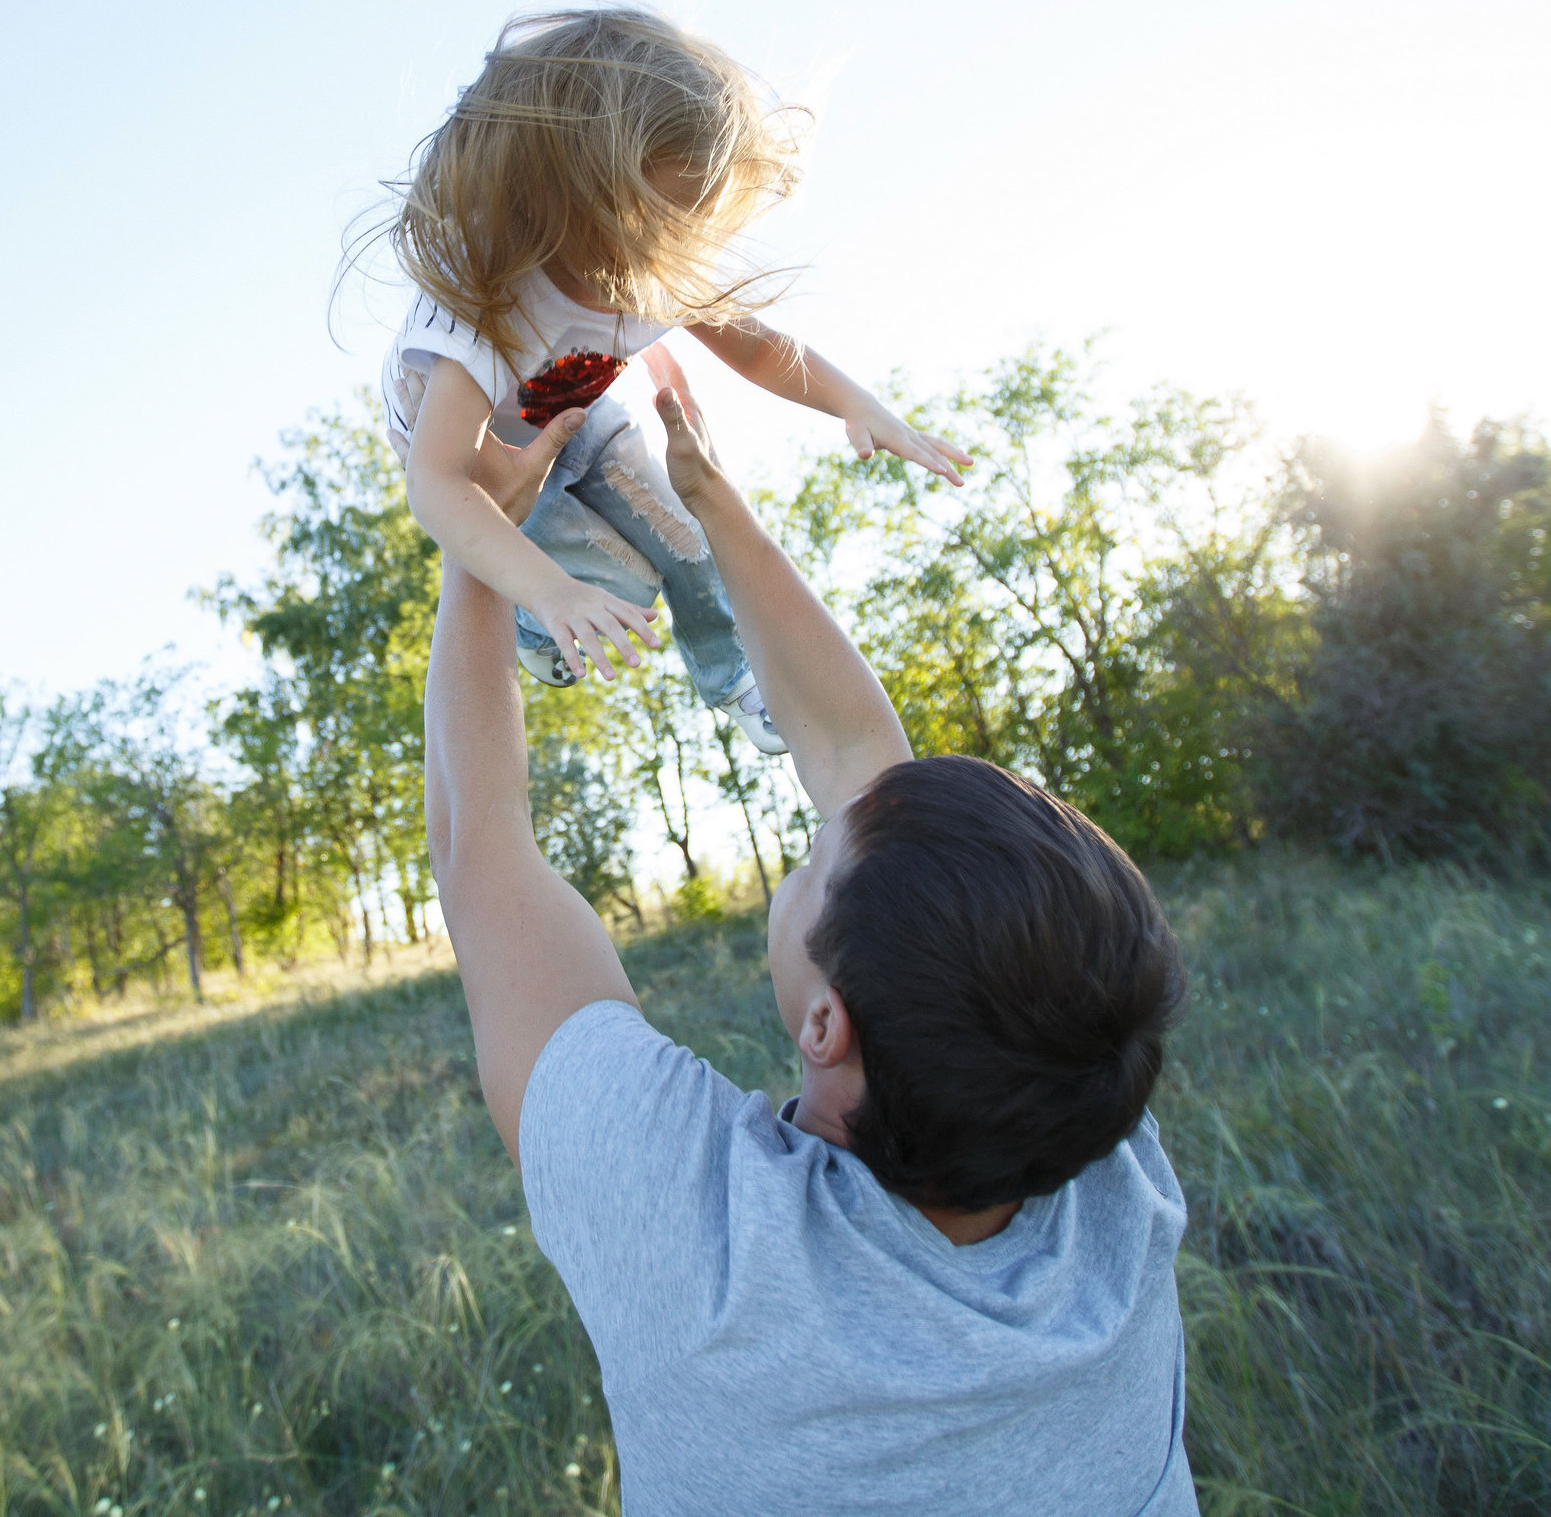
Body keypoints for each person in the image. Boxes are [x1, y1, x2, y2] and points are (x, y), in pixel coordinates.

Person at [424, 374, 1197, 1515]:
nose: (831, 809)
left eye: (823, 851)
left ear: (829, 1023)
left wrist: (476, 530)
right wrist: (704, 496)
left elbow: (479, 851)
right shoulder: (1101, 1167)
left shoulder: (702, 1239)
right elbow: (858, 764)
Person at [376, 3, 970, 753]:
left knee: (685, 544)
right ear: (567, 197)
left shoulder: (654, 270)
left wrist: (855, 402)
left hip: (580, 418)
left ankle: (735, 680)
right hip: (487, 458)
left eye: (684, 234)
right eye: (648, 227)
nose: (662, 261)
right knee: (619, 583)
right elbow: (436, 483)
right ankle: (536, 626)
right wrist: (549, 590)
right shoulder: (486, 302)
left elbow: (757, 349)